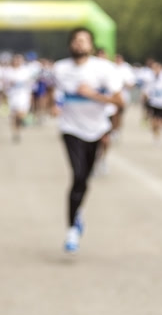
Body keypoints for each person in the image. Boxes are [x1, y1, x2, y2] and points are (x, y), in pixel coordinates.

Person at [52, 27, 123, 253]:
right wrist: (55, 106)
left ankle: (77, 210)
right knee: (78, 174)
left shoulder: (104, 69)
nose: (79, 44)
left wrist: (92, 94)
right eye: (75, 40)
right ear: (70, 45)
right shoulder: (60, 69)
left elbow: (121, 102)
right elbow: (56, 94)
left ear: (91, 46)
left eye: (84, 40)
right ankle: (72, 229)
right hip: (70, 129)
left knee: (84, 180)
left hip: (96, 130)